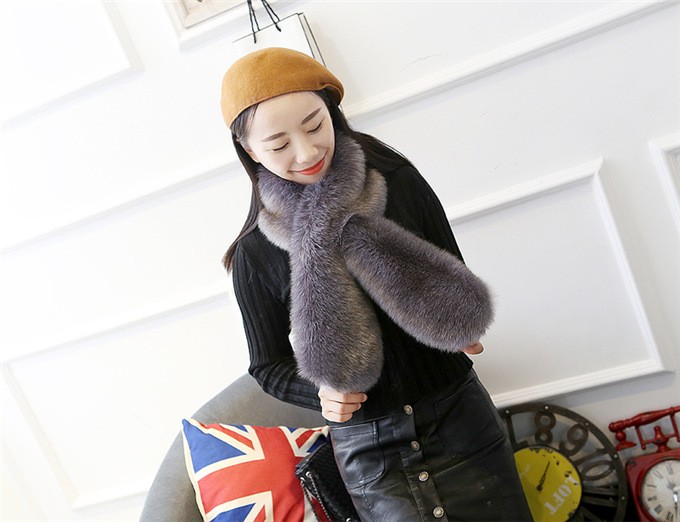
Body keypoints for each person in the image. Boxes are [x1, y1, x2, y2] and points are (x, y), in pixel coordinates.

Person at [220, 47, 532, 521]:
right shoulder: (255, 253)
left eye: (314, 126)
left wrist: (457, 324)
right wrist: (320, 394)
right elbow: (267, 366)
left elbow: (451, 274)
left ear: (331, 112)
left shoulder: (398, 183)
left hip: (459, 421)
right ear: (249, 151)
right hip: (372, 456)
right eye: (279, 145)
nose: (306, 152)